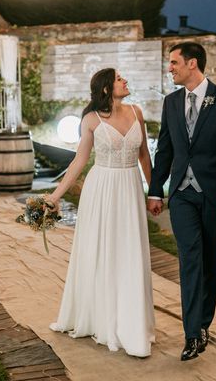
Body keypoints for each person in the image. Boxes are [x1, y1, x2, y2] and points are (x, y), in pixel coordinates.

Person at [47, 68, 155, 358]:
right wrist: (55, 196)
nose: (125, 81)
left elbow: (144, 154)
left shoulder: (136, 112)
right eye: (120, 78)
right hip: (102, 190)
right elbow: (80, 160)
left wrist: (154, 191)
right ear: (107, 88)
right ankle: (101, 318)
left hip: (130, 187)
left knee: (129, 251)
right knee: (103, 251)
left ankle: (131, 321)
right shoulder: (91, 120)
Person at [147, 42, 216, 361]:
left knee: (210, 260)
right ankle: (192, 333)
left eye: (174, 62)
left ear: (192, 64)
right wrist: (156, 189)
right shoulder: (171, 102)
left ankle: (204, 324)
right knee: (190, 259)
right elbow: (165, 149)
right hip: (183, 196)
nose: (170, 68)